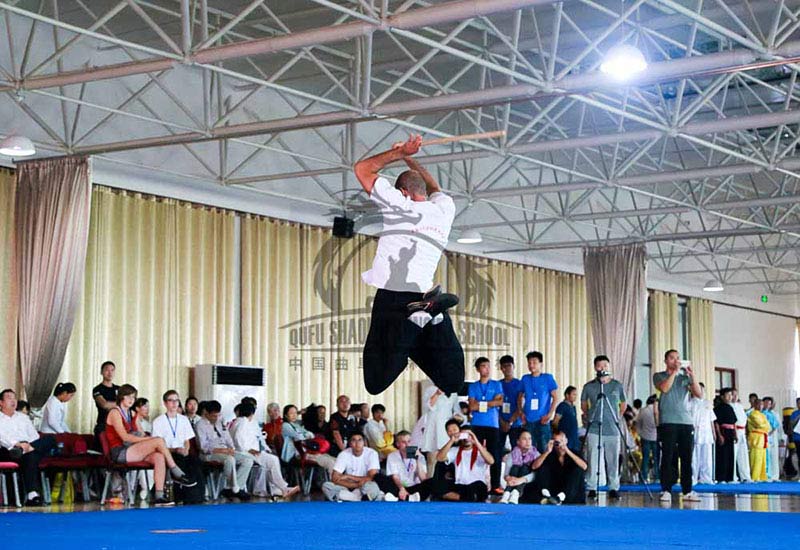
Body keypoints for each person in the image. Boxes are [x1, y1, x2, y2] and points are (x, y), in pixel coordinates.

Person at [355, 135, 464, 396]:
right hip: (424, 296)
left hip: (393, 298)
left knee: (375, 381)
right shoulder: (444, 209)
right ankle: (433, 317)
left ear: (402, 192)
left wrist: (400, 152)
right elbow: (434, 186)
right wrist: (407, 157)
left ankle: (417, 321)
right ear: (424, 194)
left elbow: (362, 169)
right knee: (452, 382)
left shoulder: (398, 204)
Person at [104, 384, 196, 505]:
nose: (131, 400)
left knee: (159, 456)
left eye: (133, 397)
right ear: (121, 397)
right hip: (120, 451)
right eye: (128, 397)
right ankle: (176, 471)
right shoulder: (115, 412)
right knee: (158, 440)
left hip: (133, 449)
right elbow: (125, 437)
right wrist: (149, 440)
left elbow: (141, 434)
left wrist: (147, 439)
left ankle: (159, 495)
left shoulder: (132, 414)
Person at [653, 351, 702, 503]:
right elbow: (665, 388)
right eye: (672, 358)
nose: (676, 360)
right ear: (666, 360)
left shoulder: (684, 378)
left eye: (677, 358)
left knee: (686, 458)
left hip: (686, 422)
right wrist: (674, 372)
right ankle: (666, 489)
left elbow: (698, 394)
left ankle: (687, 490)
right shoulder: (659, 376)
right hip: (668, 421)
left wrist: (692, 376)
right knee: (667, 457)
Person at [230, 402, 299, 499]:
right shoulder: (242, 422)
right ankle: (282, 488)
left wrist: (266, 448)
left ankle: (280, 489)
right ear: (251, 412)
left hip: (249, 451)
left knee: (272, 460)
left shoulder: (244, 422)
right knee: (271, 461)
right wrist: (249, 450)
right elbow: (238, 439)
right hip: (244, 452)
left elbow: (259, 438)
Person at [0, 389, 56, 506]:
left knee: (50, 439)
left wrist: (28, 446)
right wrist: (17, 444)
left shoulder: (23, 418)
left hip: (27, 447)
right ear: (1, 402)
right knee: (31, 455)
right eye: (9, 398)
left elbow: (34, 436)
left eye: (14, 398)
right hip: (8, 449)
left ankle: (25, 451)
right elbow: (2, 437)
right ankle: (32, 494)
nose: (13, 401)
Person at [581, 355, 626, 499]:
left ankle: (613, 487)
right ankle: (592, 486)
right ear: (595, 367)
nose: (603, 368)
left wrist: (616, 416)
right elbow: (583, 405)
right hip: (594, 428)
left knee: (613, 459)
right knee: (593, 458)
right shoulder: (589, 386)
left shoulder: (617, 385)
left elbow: (623, 404)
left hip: (612, 429)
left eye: (605, 366)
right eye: (600, 366)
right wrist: (589, 416)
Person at [151, 390, 205, 504]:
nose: (174, 403)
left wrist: (186, 449)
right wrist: (175, 450)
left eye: (176, 400)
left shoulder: (184, 419)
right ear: (165, 403)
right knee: (179, 460)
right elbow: (157, 444)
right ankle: (181, 495)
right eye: (171, 400)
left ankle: (198, 497)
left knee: (196, 462)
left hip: (182, 451)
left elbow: (187, 440)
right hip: (168, 453)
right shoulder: (158, 421)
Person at [194, 400, 254, 501]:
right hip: (210, 454)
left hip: (225, 451)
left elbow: (227, 437)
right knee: (229, 459)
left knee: (247, 460)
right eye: (213, 416)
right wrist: (222, 450)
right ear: (206, 413)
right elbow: (203, 448)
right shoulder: (200, 425)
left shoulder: (220, 421)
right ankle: (235, 488)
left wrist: (231, 448)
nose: (216, 418)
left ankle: (234, 488)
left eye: (218, 415)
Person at [467, 356, 504, 493]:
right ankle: (473, 481)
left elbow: (500, 402)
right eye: (483, 366)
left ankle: (495, 485)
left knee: (494, 454)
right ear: (477, 369)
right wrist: (490, 403)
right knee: (475, 452)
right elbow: (472, 406)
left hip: (492, 424)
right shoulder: (473, 386)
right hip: (477, 424)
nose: (487, 369)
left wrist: (481, 404)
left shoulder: (496, 384)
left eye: (488, 366)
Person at [523, 431, 587, 505]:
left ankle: (561, 497)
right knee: (543, 467)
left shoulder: (574, 453)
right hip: (554, 488)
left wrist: (567, 450)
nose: (559, 445)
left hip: (570, 490)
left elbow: (584, 467)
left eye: (562, 441)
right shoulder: (550, 454)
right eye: (557, 442)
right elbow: (534, 466)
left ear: (566, 441)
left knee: (577, 470)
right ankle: (546, 495)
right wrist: (547, 452)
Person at [437, 425, 494, 502]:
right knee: (437, 483)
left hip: (476, 485)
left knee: (480, 487)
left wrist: (476, 442)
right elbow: (439, 458)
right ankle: (467, 498)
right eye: (463, 435)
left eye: (469, 435)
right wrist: (452, 440)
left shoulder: (480, 451)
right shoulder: (455, 450)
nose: (466, 438)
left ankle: (462, 497)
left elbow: (491, 461)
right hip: (460, 485)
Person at [321, 432, 382, 502]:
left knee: (372, 487)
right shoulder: (343, 454)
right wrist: (355, 485)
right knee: (327, 486)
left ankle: (347, 498)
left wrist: (349, 476)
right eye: (354, 440)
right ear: (350, 443)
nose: (357, 443)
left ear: (364, 442)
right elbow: (334, 478)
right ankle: (357, 499)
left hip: (364, 486)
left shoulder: (372, 453)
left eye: (360, 440)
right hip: (347, 486)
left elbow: (371, 477)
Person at [518, 351, 558, 453]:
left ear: (541, 364)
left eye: (534, 362)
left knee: (545, 450)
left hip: (543, 420)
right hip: (528, 420)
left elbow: (555, 397)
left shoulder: (547, 378)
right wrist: (521, 412)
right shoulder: (525, 378)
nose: (531, 365)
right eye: (529, 363)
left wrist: (549, 415)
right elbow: (519, 397)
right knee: (528, 450)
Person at [379, 430, 433, 502]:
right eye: (404, 442)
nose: (407, 445)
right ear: (398, 444)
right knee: (379, 477)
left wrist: (417, 459)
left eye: (409, 441)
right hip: (399, 487)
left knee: (431, 482)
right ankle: (408, 498)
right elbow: (395, 477)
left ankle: (399, 498)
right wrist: (402, 489)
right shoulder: (392, 456)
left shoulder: (420, 456)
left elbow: (423, 479)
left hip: (414, 488)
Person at [421, 385, 463, 474]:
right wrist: (436, 394)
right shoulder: (430, 389)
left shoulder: (454, 392)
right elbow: (427, 406)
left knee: (445, 457)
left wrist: (458, 416)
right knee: (432, 459)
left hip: (447, 427)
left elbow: (456, 409)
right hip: (433, 426)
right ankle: (430, 481)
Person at [280, 404, 335, 472]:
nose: (294, 415)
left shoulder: (296, 425)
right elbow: (298, 436)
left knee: (334, 460)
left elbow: (311, 434)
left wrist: (305, 435)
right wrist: (305, 435)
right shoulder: (285, 425)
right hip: (297, 455)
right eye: (291, 413)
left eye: (295, 413)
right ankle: (334, 481)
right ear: (285, 415)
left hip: (306, 451)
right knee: (329, 462)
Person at [500, 430, 539, 504]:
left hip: (528, 483)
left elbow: (536, 474)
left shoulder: (536, 454)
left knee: (525, 467)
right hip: (512, 482)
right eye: (524, 439)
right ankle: (507, 493)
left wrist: (521, 480)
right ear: (518, 441)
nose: (528, 441)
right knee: (515, 467)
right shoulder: (513, 454)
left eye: (529, 439)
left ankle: (515, 492)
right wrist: (509, 478)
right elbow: (506, 474)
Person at [689, 383, 716, 485]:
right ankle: (693, 477)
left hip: (707, 433)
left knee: (707, 457)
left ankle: (706, 477)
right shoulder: (690, 403)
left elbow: (711, 420)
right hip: (695, 432)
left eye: (702, 390)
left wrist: (714, 433)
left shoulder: (707, 403)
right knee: (694, 457)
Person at [498, 355, 524, 450]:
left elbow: (521, 405)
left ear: (514, 366)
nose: (507, 368)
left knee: (517, 450)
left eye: (509, 365)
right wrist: (502, 422)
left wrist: (510, 422)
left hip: (516, 423)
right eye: (504, 366)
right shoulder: (498, 385)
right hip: (500, 423)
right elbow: (495, 406)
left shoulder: (520, 384)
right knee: (497, 450)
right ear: (501, 368)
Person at [713, 387, 737, 483]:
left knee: (730, 454)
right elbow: (716, 423)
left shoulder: (731, 408)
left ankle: (729, 477)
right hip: (723, 431)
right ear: (722, 397)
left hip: (731, 432)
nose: (730, 397)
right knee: (722, 455)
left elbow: (734, 422)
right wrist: (719, 435)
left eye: (731, 395)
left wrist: (735, 434)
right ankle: (721, 477)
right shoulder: (718, 408)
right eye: (728, 395)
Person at [92, 360, 119, 438]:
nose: (110, 373)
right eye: (107, 370)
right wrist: (121, 404)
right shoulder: (97, 389)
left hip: (117, 425)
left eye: (112, 370)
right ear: (101, 372)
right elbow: (104, 404)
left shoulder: (119, 389)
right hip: (103, 425)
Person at [636, 394, 660, 483]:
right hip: (656, 437)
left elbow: (638, 424)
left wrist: (640, 434)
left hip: (645, 437)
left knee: (645, 458)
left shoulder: (643, 411)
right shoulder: (658, 411)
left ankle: (644, 477)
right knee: (656, 458)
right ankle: (657, 477)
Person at [746, 398, 770, 482]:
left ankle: (762, 476)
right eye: (759, 404)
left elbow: (768, 426)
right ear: (755, 405)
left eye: (762, 404)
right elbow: (760, 424)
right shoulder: (752, 414)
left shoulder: (762, 414)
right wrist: (764, 426)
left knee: (763, 458)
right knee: (756, 458)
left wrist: (764, 426)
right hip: (756, 438)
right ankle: (755, 477)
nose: (761, 406)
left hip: (762, 438)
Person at [553, 386, 580, 453]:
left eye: (576, 395)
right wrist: (558, 433)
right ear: (567, 395)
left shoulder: (573, 407)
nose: (575, 396)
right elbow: (555, 421)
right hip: (565, 437)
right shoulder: (562, 406)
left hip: (573, 436)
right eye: (573, 394)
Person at [762, 397, 782, 481]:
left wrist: (771, 432)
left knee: (774, 455)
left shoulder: (772, 414)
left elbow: (776, 425)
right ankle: (767, 474)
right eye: (766, 403)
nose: (767, 405)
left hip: (771, 436)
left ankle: (775, 475)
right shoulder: (760, 413)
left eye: (769, 404)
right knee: (766, 456)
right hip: (763, 436)